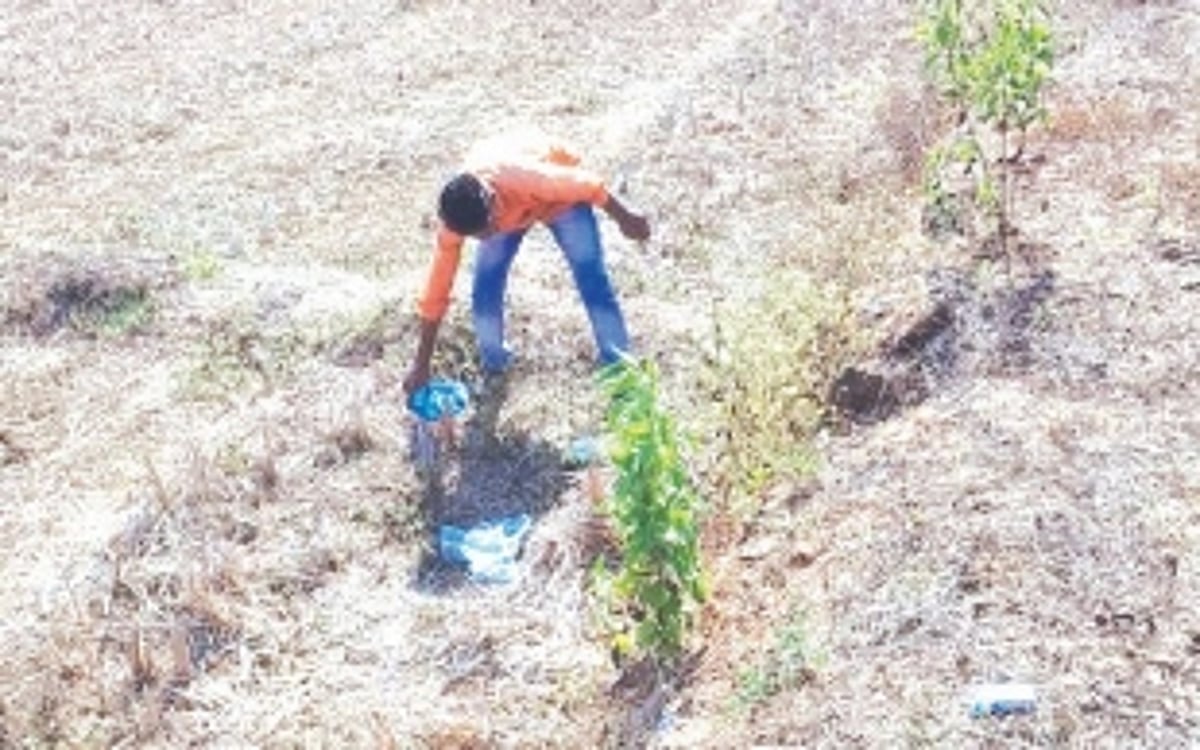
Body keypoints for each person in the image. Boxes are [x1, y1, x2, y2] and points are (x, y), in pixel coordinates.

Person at [403, 130, 650, 395]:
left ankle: (619, 368)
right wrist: (421, 364)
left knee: (592, 277)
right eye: (477, 236)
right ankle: (496, 365)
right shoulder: (457, 221)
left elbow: (586, 185)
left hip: (558, 199)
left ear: (494, 204)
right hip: (508, 205)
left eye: (487, 230)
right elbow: (436, 291)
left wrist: (625, 218)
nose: (485, 238)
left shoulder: (529, 178)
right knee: (484, 290)